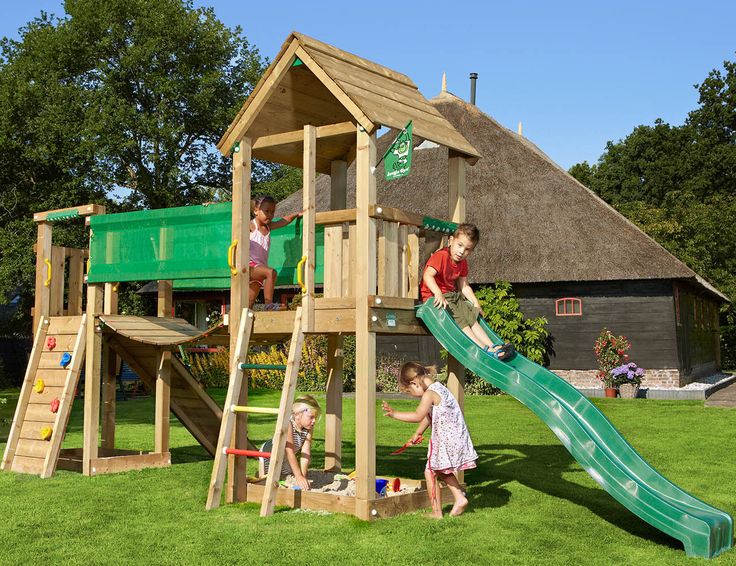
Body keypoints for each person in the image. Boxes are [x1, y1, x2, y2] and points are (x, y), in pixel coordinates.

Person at [382, 362, 477, 518]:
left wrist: (395, 414)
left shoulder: (429, 394)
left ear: (414, 382)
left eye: (409, 391)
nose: (411, 394)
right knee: (441, 470)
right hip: (456, 438)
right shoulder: (440, 388)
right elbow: (428, 417)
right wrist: (417, 433)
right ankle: (459, 498)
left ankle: (437, 512)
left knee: (430, 472)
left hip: (445, 440)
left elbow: (418, 415)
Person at [420, 223, 513, 360]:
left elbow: (464, 286)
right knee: (460, 318)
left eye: (467, 249)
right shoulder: (441, 256)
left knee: (471, 315)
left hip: (452, 295)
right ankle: (483, 348)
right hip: (435, 296)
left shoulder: (462, 263)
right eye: (460, 245)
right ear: (451, 241)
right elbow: (427, 275)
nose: (461, 251)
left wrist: (475, 302)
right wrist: (438, 293)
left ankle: (492, 345)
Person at [245, 195, 303, 310]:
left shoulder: (269, 227)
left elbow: (283, 221)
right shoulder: (251, 226)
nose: (270, 215)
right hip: (249, 266)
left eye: (272, 212)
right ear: (256, 211)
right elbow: (237, 223)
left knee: (249, 303)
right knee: (271, 272)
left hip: (259, 269)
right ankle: (268, 304)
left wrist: (296, 215)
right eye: (267, 211)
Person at [259, 395, 321, 491]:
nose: (314, 421)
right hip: (270, 453)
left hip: (286, 457)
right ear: (297, 415)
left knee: (287, 475)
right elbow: (289, 451)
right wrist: (298, 476)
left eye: (315, 418)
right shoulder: (289, 424)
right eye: (311, 417)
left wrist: (302, 476)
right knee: (266, 480)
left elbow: (306, 453)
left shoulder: (308, 428)